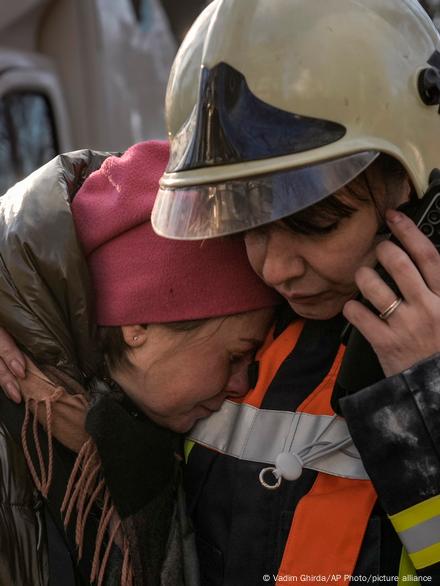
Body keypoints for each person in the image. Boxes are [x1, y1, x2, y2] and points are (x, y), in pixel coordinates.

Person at [146, 0, 440, 584]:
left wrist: (426, 392)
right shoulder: (226, 295)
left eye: (315, 224)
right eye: (244, 225)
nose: (276, 269)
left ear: (412, 184)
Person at [0, 140, 278, 586]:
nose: (241, 384)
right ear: (140, 324)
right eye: (235, 355)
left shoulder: (127, 435)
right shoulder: (19, 434)